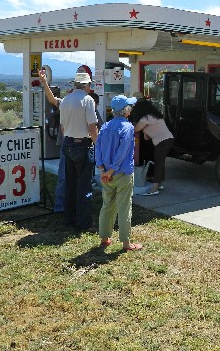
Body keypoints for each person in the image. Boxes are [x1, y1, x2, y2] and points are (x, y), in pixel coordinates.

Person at [95, 95, 142, 252]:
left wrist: (102, 169)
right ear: (125, 110)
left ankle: (104, 238)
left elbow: (98, 148)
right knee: (124, 207)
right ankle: (126, 244)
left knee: (107, 205)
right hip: (122, 173)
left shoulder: (105, 126)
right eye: (129, 106)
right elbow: (122, 152)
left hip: (106, 174)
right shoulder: (128, 127)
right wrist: (112, 169)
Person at [59, 72, 98, 230]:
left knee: (70, 183)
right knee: (84, 185)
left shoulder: (65, 100)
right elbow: (92, 126)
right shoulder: (87, 100)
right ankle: (83, 222)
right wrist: (99, 145)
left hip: (67, 142)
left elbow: (62, 127)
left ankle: (69, 218)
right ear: (87, 85)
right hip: (83, 143)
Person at [38, 68, 66, 212]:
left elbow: (51, 100)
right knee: (79, 179)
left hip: (65, 144)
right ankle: (76, 207)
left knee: (63, 177)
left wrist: (44, 82)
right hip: (80, 145)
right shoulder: (88, 104)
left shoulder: (66, 102)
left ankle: (60, 207)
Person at [134, 99, 174, 195]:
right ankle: (159, 184)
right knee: (160, 161)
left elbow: (136, 129)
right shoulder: (155, 116)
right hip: (167, 140)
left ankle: (154, 189)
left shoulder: (146, 117)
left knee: (158, 163)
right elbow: (147, 137)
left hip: (162, 141)